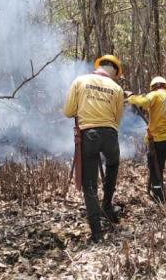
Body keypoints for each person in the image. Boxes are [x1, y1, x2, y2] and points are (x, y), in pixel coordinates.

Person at [63, 54, 124, 243]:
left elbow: (68, 111)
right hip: (110, 134)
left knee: (89, 184)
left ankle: (97, 232)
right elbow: (117, 119)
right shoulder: (117, 88)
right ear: (114, 72)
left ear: (99, 66)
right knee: (112, 164)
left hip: (88, 135)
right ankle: (107, 205)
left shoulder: (80, 81)